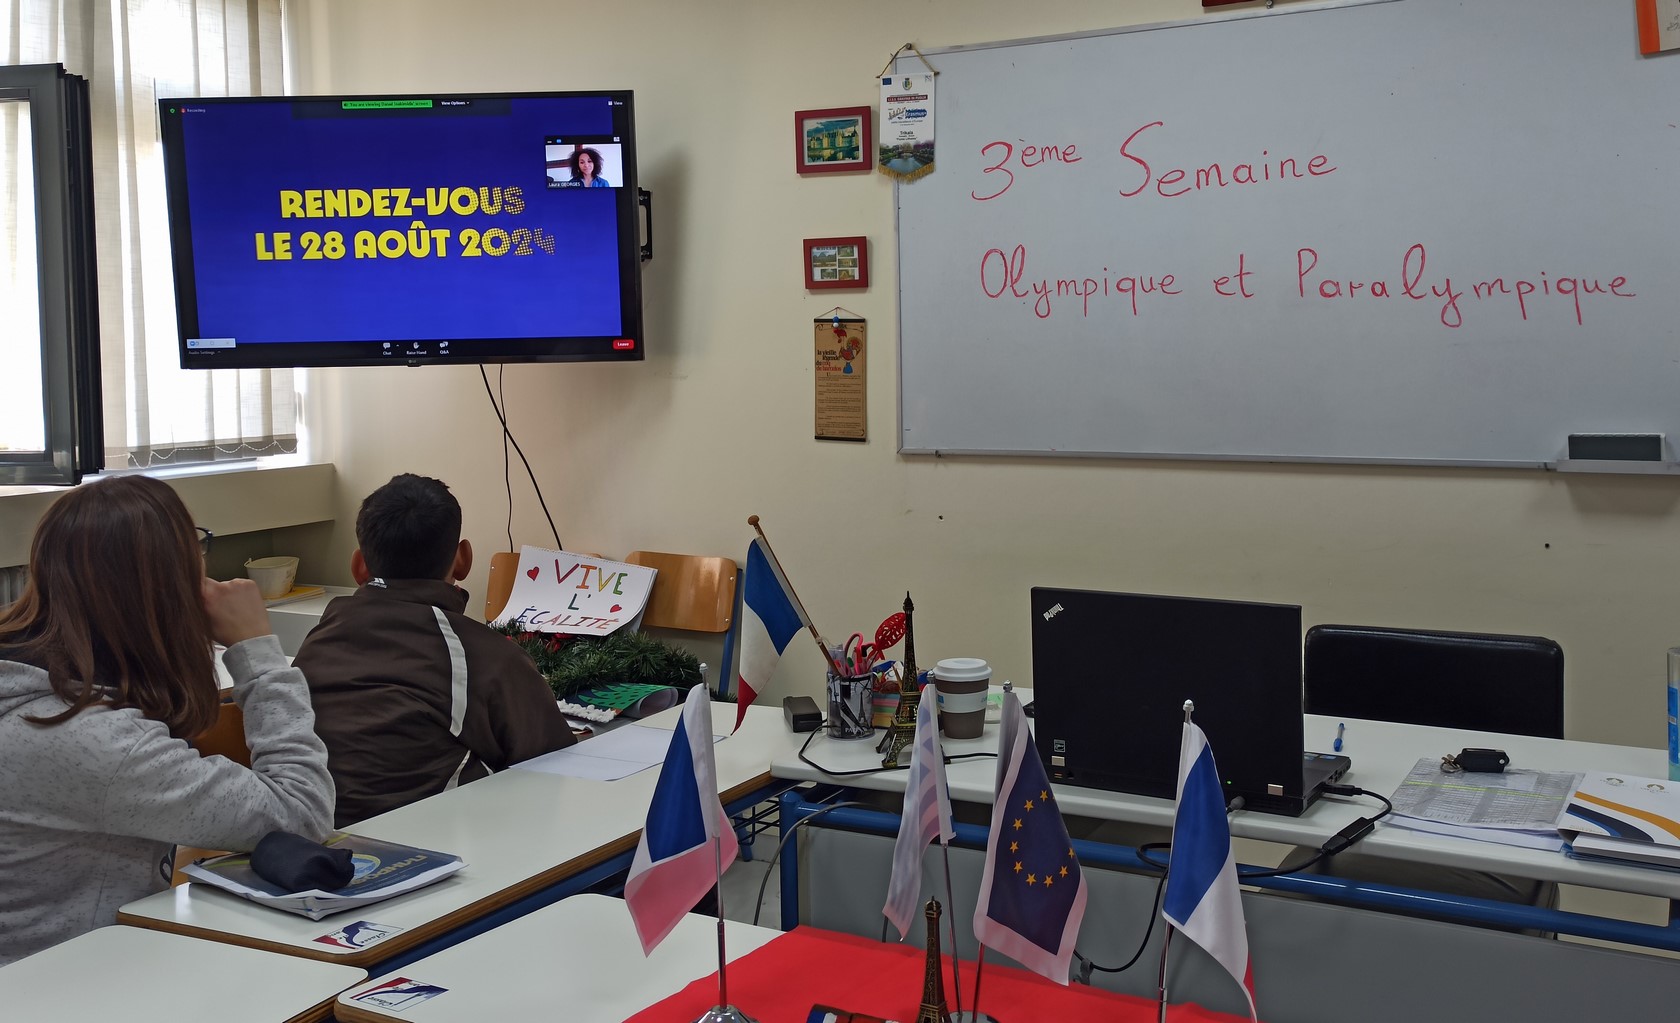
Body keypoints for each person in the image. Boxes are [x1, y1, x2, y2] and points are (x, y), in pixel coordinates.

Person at [0, 476, 334, 966]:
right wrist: (258, 653)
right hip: (63, 982)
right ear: (168, 586)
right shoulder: (93, 741)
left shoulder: (25, 681)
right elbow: (302, 813)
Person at [292, 474, 574, 827]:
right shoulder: (486, 656)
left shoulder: (319, 639)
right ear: (463, 559)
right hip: (432, 846)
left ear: (359, 566)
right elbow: (555, 764)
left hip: (311, 839)